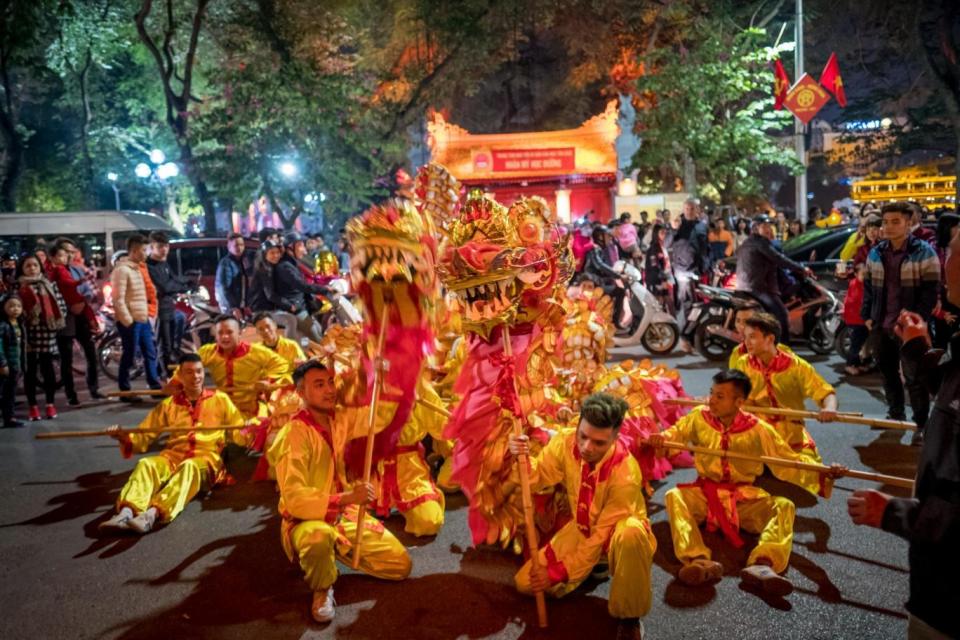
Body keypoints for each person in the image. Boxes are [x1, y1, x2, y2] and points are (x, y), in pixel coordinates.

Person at [847, 227, 960, 639]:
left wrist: (893, 512)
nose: (944, 261)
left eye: (952, 252)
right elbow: (947, 386)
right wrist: (915, 346)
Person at [648, 370, 844, 596]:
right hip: (705, 496)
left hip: (743, 501)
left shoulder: (758, 428)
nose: (711, 399)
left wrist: (826, 472)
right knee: (674, 495)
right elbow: (674, 436)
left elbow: (789, 461)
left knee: (784, 506)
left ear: (739, 402)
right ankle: (698, 560)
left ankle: (763, 564)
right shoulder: (698, 417)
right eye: (712, 393)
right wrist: (661, 440)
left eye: (720, 396)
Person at [269, 360, 411, 623]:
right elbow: (294, 498)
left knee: (400, 566)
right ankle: (322, 587)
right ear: (300, 393)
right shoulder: (293, 434)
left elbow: (378, 416)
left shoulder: (340, 419)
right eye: (319, 385)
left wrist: (383, 379)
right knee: (317, 539)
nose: (330, 390)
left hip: (345, 514)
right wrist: (345, 498)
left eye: (331, 382)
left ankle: (331, 551)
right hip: (307, 520)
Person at [508, 393, 655, 640]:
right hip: (581, 529)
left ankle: (630, 617)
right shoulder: (564, 442)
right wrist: (519, 455)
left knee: (630, 533)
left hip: (614, 538)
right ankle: (591, 568)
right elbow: (536, 477)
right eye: (583, 436)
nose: (587, 447)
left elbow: (600, 537)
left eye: (599, 443)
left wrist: (556, 573)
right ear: (577, 426)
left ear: (615, 438)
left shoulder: (626, 473)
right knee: (525, 583)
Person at [99, 353, 249, 534]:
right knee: (146, 464)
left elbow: (240, 430)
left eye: (199, 372)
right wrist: (123, 437)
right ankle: (126, 513)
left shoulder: (220, 399)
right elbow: (144, 435)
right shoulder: (169, 404)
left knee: (189, 467)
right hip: (172, 457)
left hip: (206, 460)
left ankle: (151, 515)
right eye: (189, 372)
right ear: (180, 375)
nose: (196, 377)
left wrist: (252, 429)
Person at [862, 202, 940, 445]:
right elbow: (868, 287)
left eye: (895, 221)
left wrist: (918, 318)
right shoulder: (876, 251)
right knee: (887, 373)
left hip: (909, 327)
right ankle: (895, 415)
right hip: (881, 323)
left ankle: (921, 424)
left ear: (909, 222)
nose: (888, 226)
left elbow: (931, 289)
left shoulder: (923, 251)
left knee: (915, 378)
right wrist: (868, 315)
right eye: (886, 222)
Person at [734, 313, 838, 463]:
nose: (746, 342)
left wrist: (830, 408)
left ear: (770, 339)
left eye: (752, 337)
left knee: (811, 472)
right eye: (745, 337)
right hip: (755, 432)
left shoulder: (796, 366)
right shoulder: (743, 363)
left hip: (790, 435)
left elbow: (823, 391)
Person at [168, 315, 290, 418]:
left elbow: (282, 364)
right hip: (222, 408)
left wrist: (267, 380)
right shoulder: (208, 351)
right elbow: (187, 366)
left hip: (251, 409)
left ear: (239, 333)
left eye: (229, 332)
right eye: (220, 333)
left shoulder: (257, 351)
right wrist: (175, 382)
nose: (224, 337)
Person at [734, 214, 809, 344]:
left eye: (770, 226)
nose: (769, 229)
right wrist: (801, 269)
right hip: (758, 288)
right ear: (756, 228)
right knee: (782, 315)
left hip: (745, 286)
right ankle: (783, 348)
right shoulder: (760, 243)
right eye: (765, 226)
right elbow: (779, 259)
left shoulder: (748, 242)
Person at [47, 239, 102, 403]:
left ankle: (94, 389)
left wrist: (82, 301)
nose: (70, 255)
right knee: (67, 358)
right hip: (65, 319)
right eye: (66, 252)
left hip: (81, 316)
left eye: (72, 252)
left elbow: (89, 291)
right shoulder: (54, 272)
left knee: (91, 354)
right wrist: (70, 305)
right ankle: (71, 395)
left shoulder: (77, 270)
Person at [18, 253, 67, 420]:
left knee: (48, 370)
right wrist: (28, 317)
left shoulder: (49, 285)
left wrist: (54, 321)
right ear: (22, 269)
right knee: (29, 371)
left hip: (48, 332)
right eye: (28, 266)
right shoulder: (18, 288)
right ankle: (33, 407)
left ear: (40, 267)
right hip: (27, 334)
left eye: (35, 265)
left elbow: (61, 307)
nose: (32, 269)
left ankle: (50, 404)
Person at [111, 235, 163, 393]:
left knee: (150, 351)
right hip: (132, 320)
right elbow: (118, 299)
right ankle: (124, 389)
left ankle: (154, 385)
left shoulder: (137, 268)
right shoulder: (122, 270)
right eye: (144, 249)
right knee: (130, 354)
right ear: (134, 251)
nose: (147, 253)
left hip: (142, 318)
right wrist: (128, 320)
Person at [147, 232, 193, 375]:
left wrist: (187, 283)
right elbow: (165, 286)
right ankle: (167, 377)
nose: (164, 249)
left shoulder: (163, 263)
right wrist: (180, 286)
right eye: (160, 246)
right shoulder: (149, 266)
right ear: (152, 247)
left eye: (166, 246)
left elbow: (174, 280)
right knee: (164, 345)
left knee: (172, 343)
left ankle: (161, 372)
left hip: (169, 307)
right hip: (158, 309)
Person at [271, 232, 328, 343]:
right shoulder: (285, 267)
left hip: (301, 306)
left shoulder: (293, 264)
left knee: (319, 330)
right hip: (294, 308)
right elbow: (301, 285)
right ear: (290, 248)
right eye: (300, 245)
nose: (304, 249)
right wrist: (324, 289)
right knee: (316, 337)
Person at [670, 198, 708, 352]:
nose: (689, 211)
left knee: (699, 305)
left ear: (697, 210)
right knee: (688, 305)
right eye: (686, 208)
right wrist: (673, 230)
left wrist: (707, 265)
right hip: (683, 271)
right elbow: (667, 243)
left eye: (692, 208)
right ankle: (686, 337)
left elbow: (705, 247)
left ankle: (692, 337)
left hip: (698, 270)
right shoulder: (678, 226)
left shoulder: (702, 226)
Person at [582, 226, 627, 329]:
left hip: (597, 282)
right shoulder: (594, 248)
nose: (610, 238)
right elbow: (600, 265)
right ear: (600, 237)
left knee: (616, 291)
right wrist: (618, 275)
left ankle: (609, 321)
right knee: (620, 291)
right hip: (592, 284)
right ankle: (615, 322)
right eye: (607, 236)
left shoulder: (598, 249)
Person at [0, 293, 25, 428]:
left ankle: (9, 418)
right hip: (6, 366)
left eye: (18, 306)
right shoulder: (3, 324)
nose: (15, 309)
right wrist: (2, 363)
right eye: (11, 306)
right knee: (4, 392)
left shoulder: (19, 323)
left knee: (10, 393)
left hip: (15, 365)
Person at [842, 263, 871, 375]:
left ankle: (859, 364)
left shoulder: (857, 284)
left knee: (860, 343)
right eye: (863, 274)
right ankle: (850, 365)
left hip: (859, 320)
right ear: (856, 274)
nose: (865, 276)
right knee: (856, 344)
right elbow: (859, 303)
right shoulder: (857, 286)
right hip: (857, 320)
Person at [644, 223, 674, 314]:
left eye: (665, 232)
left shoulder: (662, 246)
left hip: (664, 279)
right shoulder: (654, 248)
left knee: (667, 304)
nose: (664, 234)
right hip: (657, 281)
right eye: (661, 232)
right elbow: (655, 267)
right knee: (658, 306)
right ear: (656, 233)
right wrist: (662, 280)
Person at [216, 233, 249, 318]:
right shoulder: (226, 263)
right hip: (230, 306)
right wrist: (233, 307)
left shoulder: (242, 261)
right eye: (236, 245)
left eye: (241, 245)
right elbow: (225, 288)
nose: (239, 248)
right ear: (229, 247)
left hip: (240, 304)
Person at [248, 240, 281, 313]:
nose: (276, 255)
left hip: (266, 308)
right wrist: (289, 305)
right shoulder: (263, 271)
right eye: (272, 253)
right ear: (264, 255)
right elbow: (270, 295)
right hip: (262, 310)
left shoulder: (270, 267)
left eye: (278, 252)